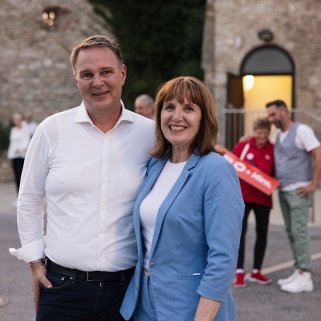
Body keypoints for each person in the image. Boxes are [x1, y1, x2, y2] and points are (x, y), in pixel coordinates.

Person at [9, 35, 155, 321]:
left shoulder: (149, 135)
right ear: (76, 79)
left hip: (127, 292)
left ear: (122, 73)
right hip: (62, 289)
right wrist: (36, 263)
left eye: (106, 72)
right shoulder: (52, 130)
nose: (97, 82)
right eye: (87, 74)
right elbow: (28, 199)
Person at [120, 76, 244, 321]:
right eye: (169, 107)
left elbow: (223, 259)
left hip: (190, 309)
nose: (176, 117)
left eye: (188, 108)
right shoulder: (154, 165)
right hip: (143, 304)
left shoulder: (216, 170)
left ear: (203, 118)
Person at [266, 99, 321, 293]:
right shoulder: (279, 134)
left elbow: (318, 153)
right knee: (291, 232)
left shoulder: (302, 130)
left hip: (299, 190)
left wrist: (313, 184)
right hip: (284, 190)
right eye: (269, 116)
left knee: (299, 232)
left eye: (273, 114)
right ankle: (299, 270)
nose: (271, 119)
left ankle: (305, 274)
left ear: (284, 111)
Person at [232, 117, 274, 288]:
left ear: (269, 133)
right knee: (240, 234)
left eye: (265, 132)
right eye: (259, 132)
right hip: (244, 197)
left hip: (264, 198)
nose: (262, 135)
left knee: (262, 233)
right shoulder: (244, 145)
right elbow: (229, 163)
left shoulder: (273, 149)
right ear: (254, 131)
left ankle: (256, 271)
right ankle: (239, 271)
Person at [7, 112, 30, 196]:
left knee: (21, 177)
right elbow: (12, 143)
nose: (18, 121)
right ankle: (18, 196)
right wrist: (11, 153)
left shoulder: (25, 129)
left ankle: (23, 196)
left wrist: (19, 149)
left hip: (21, 156)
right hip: (14, 156)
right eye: (16, 119)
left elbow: (26, 142)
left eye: (19, 119)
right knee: (16, 177)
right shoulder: (13, 130)